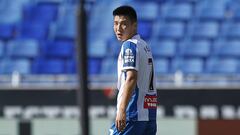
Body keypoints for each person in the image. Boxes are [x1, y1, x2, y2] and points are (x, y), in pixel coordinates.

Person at [109, 5, 157, 135]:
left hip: (133, 112)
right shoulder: (145, 46)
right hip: (149, 114)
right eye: (115, 23)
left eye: (124, 24)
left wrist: (122, 109)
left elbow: (131, 77)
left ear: (134, 25)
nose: (118, 28)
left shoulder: (129, 45)